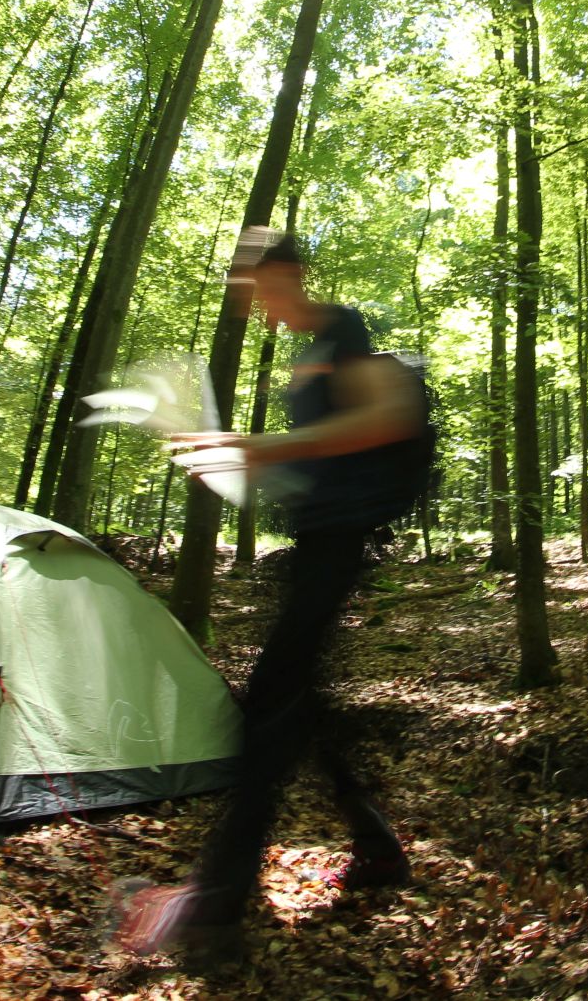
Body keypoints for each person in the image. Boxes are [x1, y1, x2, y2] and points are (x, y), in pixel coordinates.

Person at [111, 226, 422, 972]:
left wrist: (261, 445)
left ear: (283, 273)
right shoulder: (307, 355)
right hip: (314, 543)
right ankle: (376, 845)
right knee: (299, 704)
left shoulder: (341, 328)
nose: (251, 304)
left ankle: (217, 905)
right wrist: (239, 459)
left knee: (268, 706)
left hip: (339, 545)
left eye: (252, 287)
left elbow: (381, 421)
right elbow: (315, 458)